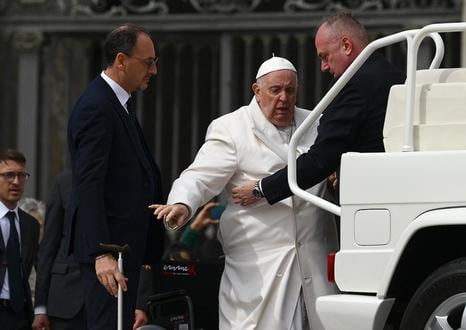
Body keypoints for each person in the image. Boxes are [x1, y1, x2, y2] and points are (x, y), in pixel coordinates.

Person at [150, 56, 338, 329]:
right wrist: (182, 203)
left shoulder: (316, 123)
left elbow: (330, 169)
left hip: (314, 259)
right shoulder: (232, 128)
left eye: (290, 90)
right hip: (259, 267)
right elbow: (200, 176)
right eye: (275, 90)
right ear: (256, 91)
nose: (283, 98)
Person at [231, 12, 405, 206]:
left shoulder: (352, 84)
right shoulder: (394, 74)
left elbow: (321, 159)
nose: (323, 67)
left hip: (372, 200)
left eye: (325, 56)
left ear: (346, 46)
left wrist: (261, 189)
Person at [65, 24, 164, 329]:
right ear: (121, 60)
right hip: (110, 256)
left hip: (123, 250)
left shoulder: (117, 103)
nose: (154, 71)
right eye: (148, 63)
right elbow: (88, 184)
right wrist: (100, 252)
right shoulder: (97, 106)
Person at [32, 170, 88, 330]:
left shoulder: (121, 180)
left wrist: (139, 303)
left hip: (111, 299)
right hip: (64, 300)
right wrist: (40, 307)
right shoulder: (64, 182)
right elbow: (48, 247)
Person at [0, 149, 40, 329]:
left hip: (22, 316)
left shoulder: (31, 225)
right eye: (9, 175)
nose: (16, 182)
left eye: (21, 175)